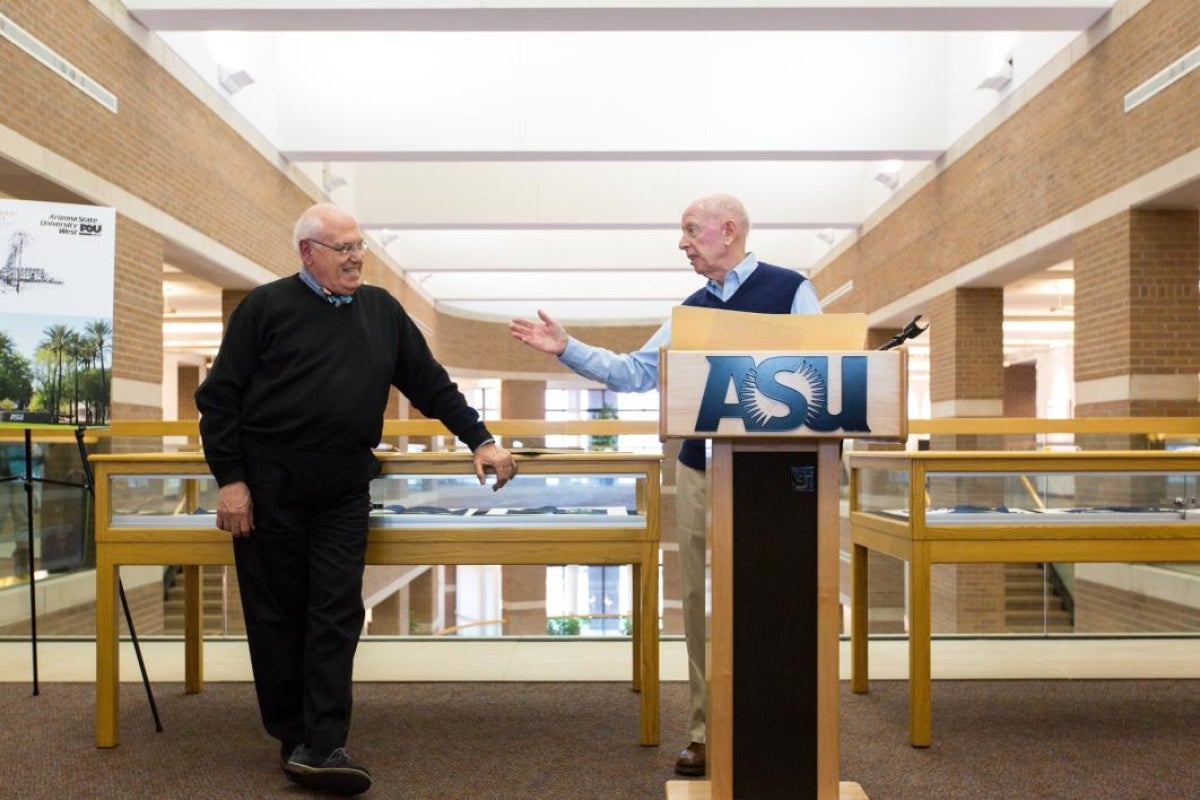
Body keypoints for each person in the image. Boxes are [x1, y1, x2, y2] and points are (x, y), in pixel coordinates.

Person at [196, 202, 517, 796]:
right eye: (342, 248)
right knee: (278, 614)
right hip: (270, 489)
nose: (355, 257)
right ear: (307, 253)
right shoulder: (264, 308)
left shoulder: (382, 312)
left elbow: (430, 383)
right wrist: (232, 481)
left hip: (343, 489)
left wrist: (481, 439)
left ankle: (325, 741)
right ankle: (293, 737)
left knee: (338, 610)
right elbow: (219, 401)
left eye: (359, 246)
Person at [509, 193, 820, 777]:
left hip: (776, 476)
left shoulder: (791, 290)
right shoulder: (690, 310)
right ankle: (706, 732)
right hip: (702, 468)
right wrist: (566, 348)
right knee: (699, 605)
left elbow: (827, 374)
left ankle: (780, 725)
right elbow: (637, 372)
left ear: (727, 231)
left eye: (690, 231)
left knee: (776, 597)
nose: (682, 243)